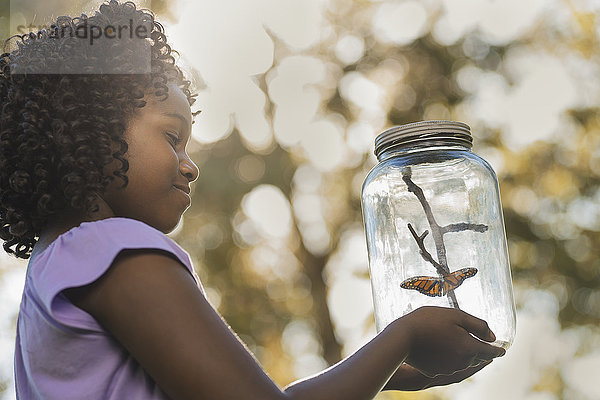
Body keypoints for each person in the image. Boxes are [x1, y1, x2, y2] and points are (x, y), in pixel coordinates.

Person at [0, 1, 505, 399]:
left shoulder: (54, 274)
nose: (189, 163)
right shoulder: (111, 249)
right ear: (89, 131)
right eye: (172, 136)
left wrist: (383, 366)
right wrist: (406, 334)